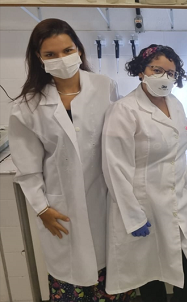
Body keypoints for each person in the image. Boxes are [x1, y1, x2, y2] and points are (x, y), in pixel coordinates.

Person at [8, 19, 134, 301]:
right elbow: (27, 168)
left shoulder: (105, 87)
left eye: (67, 50)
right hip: (61, 209)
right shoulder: (28, 106)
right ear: (38, 59)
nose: (62, 59)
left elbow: (122, 138)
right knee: (72, 282)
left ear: (78, 50)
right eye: (51, 54)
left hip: (106, 201)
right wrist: (42, 209)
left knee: (113, 277)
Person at [102, 45, 187, 302]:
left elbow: (177, 133)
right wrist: (132, 216)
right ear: (141, 71)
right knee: (152, 280)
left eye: (171, 73)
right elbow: (115, 168)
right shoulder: (125, 110)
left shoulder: (174, 102)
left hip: (180, 199)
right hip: (146, 207)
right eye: (156, 70)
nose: (164, 77)